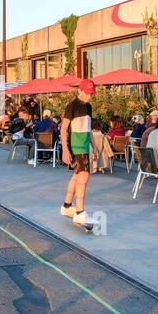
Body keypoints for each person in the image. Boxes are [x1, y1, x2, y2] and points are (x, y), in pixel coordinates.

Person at [60, 79, 97, 226]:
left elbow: (88, 129)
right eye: (87, 93)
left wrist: (93, 147)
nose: (89, 96)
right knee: (83, 177)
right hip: (76, 147)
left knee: (76, 177)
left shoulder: (88, 107)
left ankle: (67, 206)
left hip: (84, 147)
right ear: (79, 91)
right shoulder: (71, 106)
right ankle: (80, 213)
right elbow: (63, 129)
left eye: (91, 93)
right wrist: (65, 149)